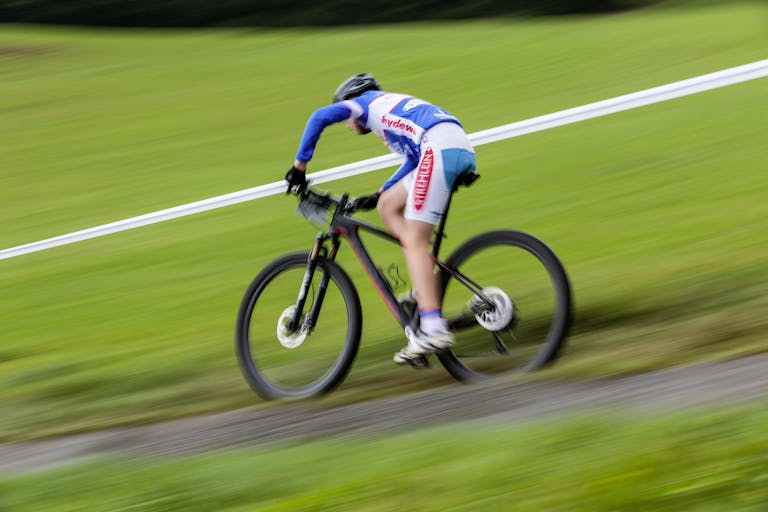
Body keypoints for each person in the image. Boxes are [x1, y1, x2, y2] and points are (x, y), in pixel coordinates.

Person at [285, 73, 476, 365]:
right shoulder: (389, 108)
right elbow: (414, 159)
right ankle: (424, 284)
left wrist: (299, 168)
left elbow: (318, 117)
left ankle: (432, 329)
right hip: (449, 146)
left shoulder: (364, 104)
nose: (349, 124)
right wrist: (379, 193)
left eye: (348, 117)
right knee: (388, 206)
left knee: (414, 238)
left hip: (439, 149)